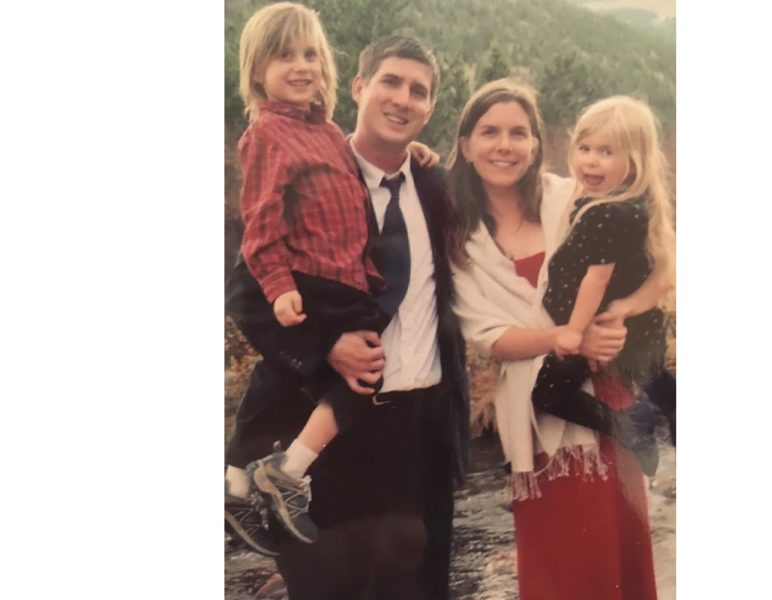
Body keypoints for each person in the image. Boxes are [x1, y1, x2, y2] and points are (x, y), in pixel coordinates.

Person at [232, 34, 470, 600]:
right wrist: (324, 344)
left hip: (420, 438)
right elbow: (244, 291)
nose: (402, 99)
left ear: (430, 109)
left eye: (419, 91)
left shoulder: (436, 186)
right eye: (390, 81)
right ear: (359, 87)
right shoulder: (308, 166)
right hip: (328, 434)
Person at [448, 79, 671, 600]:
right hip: (537, 417)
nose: (505, 145)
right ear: (466, 145)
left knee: (617, 558)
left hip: (607, 401)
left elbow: (659, 257)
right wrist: (571, 338)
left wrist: (619, 313)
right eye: (490, 132)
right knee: (563, 569)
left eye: (519, 133)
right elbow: (490, 337)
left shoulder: (575, 196)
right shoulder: (460, 236)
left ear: (536, 144)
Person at [530, 95, 676, 476]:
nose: (591, 160)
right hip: (637, 331)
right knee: (657, 382)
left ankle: (630, 427)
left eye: (607, 152)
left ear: (635, 161)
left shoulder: (606, 214)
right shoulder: (632, 203)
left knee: (547, 393)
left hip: (594, 326)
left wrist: (574, 334)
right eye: (584, 148)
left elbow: (596, 280)